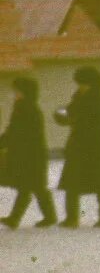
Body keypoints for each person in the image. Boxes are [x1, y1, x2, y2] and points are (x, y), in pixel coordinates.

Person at [55, 66, 100, 228]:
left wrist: (75, 120)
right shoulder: (77, 98)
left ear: (91, 83)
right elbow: (70, 114)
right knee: (72, 183)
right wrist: (62, 118)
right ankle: (72, 218)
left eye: (83, 83)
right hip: (78, 144)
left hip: (96, 144)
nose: (80, 86)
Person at [0, 77, 56, 228]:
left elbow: (15, 131)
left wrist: (3, 142)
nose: (15, 94)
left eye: (17, 91)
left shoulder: (25, 108)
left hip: (29, 155)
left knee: (30, 186)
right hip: (32, 154)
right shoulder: (27, 107)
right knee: (32, 186)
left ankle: (17, 219)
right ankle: (19, 218)